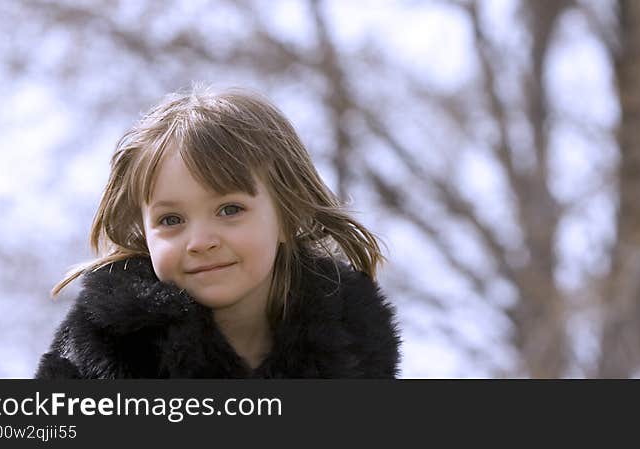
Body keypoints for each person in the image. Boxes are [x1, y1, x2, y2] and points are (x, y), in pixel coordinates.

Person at [35, 84, 401, 378]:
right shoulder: (99, 353)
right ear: (143, 232)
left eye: (230, 210)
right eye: (171, 220)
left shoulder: (356, 347)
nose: (200, 242)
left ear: (288, 216)